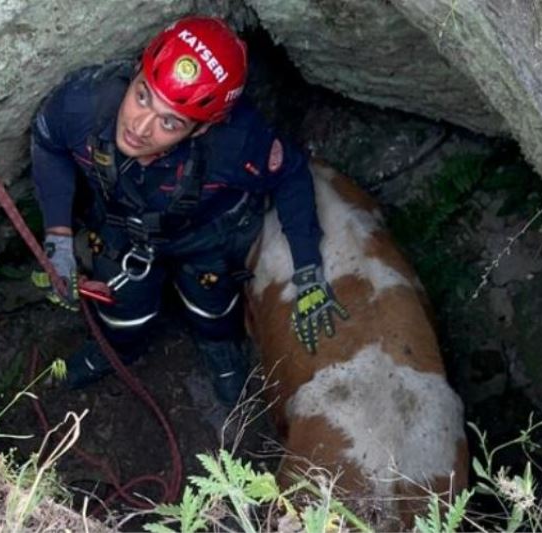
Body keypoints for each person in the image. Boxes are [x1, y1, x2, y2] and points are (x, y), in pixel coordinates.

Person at [31, 16, 348, 405]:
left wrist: (307, 268)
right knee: (123, 308)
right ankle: (120, 350)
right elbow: (48, 144)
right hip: (123, 231)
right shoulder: (84, 104)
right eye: (143, 95)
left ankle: (219, 348)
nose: (140, 126)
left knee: (212, 306)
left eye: (170, 122)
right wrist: (58, 235)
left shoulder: (237, 143)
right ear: (135, 71)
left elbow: (292, 175)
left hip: (205, 236)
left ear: (200, 129)